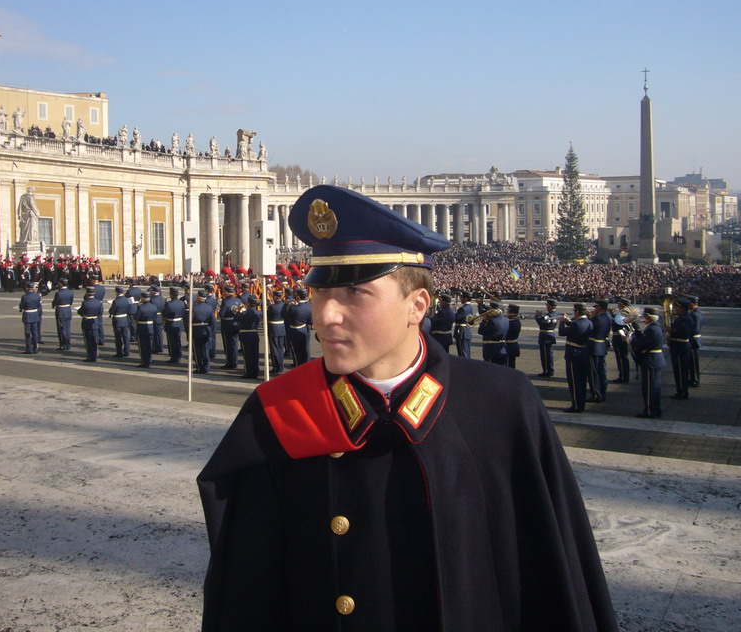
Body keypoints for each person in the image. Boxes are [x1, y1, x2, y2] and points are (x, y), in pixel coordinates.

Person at [198, 185, 617, 631]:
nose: (326, 315)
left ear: (417, 305)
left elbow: (552, 573)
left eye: (355, 293)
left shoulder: (501, 405)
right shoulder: (276, 413)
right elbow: (246, 596)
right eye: (319, 293)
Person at [630, 307, 666, 418]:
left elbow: (643, 343)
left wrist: (631, 339)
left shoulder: (652, 329)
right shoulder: (656, 326)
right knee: (654, 386)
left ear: (649, 317)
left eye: (645, 316)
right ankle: (655, 409)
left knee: (650, 388)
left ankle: (650, 411)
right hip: (655, 359)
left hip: (651, 360)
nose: (643, 318)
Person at [559, 302, 593, 413]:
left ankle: (576, 405)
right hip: (583, 352)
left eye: (574, 311)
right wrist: (569, 321)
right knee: (582, 381)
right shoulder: (589, 322)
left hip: (573, 354)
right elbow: (575, 328)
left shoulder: (576, 324)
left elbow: (562, 332)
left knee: (574, 382)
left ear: (577, 312)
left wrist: (562, 322)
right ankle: (581, 404)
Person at [668, 297, 695, 400]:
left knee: (680, 370)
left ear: (682, 308)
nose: (675, 308)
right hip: (678, 346)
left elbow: (684, 333)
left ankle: (682, 391)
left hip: (680, 347)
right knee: (678, 370)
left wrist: (672, 330)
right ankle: (681, 390)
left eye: (677, 306)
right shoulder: (682, 317)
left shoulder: (685, 318)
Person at [588, 300, 612, 402]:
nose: (595, 309)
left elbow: (588, 329)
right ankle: (602, 391)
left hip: (594, 347)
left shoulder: (597, 318)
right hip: (602, 346)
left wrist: (589, 318)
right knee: (601, 371)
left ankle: (596, 395)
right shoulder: (608, 317)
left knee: (594, 372)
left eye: (596, 307)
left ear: (601, 307)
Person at [233, 294, 262, 379]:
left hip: (245, 335)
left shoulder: (244, 313)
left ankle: (248, 372)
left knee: (247, 355)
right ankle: (255, 371)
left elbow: (236, 318)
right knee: (255, 355)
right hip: (254, 334)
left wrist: (240, 310)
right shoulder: (259, 313)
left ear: (248, 304)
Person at [283, 287, 313, 367]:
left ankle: (298, 367)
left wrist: (288, 306)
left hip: (295, 331)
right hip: (305, 329)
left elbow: (286, 318)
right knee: (305, 350)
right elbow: (310, 321)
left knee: (297, 352)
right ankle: (307, 365)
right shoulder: (309, 306)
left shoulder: (292, 308)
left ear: (298, 296)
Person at [534, 299, 561, 377]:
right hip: (549, 334)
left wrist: (537, 316)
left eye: (548, 306)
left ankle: (547, 371)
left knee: (545, 355)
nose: (547, 307)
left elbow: (541, 323)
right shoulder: (555, 314)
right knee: (549, 354)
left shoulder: (549, 315)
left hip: (545, 335)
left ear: (551, 306)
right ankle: (549, 370)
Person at [191, 289, 214, 374]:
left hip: (196, 329)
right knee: (205, 350)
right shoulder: (209, 307)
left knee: (197, 350)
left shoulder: (194, 307)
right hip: (206, 329)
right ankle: (206, 367)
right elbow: (212, 320)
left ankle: (199, 367)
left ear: (199, 297)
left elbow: (190, 320)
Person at [77, 287, 103, 362]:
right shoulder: (98, 302)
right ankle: (95, 355)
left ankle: (90, 356)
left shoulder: (85, 303)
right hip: (94, 321)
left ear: (87, 294)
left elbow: (80, 312)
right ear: (94, 293)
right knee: (94, 339)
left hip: (86, 321)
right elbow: (100, 313)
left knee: (88, 340)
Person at [218, 285, 241, 369]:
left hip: (227, 324)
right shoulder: (238, 300)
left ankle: (230, 361)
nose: (223, 293)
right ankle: (235, 361)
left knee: (228, 345)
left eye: (224, 292)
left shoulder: (225, 302)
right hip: (235, 324)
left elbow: (221, 314)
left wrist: (218, 308)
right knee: (234, 344)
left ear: (227, 293)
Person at [18, 282, 43, 354]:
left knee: (28, 333)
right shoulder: (37, 296)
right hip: (35, 315)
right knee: (35, 332)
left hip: (27, 315)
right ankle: (35, 348)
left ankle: (28, 348)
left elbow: (21, 306)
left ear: (28, 288)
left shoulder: (25, 297)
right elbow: (38, 305)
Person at [132, 295, 156, 368]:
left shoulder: (141, 307)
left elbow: (136, 317)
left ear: (143, 298)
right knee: (149, 345)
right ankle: (149, 360)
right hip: (150, 326)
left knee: (142, 346)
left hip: (142, 327)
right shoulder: (154, 306)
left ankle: (144, 361)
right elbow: (155, 317)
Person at [163, 286, 186, 363]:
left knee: (171, 342)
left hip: (170, 323)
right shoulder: (182, 303)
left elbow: (165, 314)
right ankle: (178, 355)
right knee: (178, 340)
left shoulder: (168, 304)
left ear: (171, 295)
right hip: (178, 323)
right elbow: (183, 313)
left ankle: (173, 356)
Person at [267, 288, 287, 374]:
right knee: (280, 348)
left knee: (274, 348)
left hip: (273, 328)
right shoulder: (284, 306)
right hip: (281, 328)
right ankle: (281, 365)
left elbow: (267, 316)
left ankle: (277, 366)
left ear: (275, 297)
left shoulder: (272, 307)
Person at [51, 277, 74, 350]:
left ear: (61, 284)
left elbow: (55, 302)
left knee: (62, 329)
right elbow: (71, 302)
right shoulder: (70, 292)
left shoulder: (59, 293)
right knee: (67, 328)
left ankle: (64, 344)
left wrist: (53, 305)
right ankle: (68, 343)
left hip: (61, 310)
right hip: (68, 310)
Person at [109, 285, 132, 357]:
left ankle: (119, 352)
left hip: (117, 320)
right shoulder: (127, 299)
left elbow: (112, 311)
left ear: (117, 292)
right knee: (126, 336)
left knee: (118, 337)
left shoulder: (116, 301)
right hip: (125, 319)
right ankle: (127, 351)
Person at [687, 294, 703, 387]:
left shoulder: (694, 314)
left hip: (693, 340)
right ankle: (693, 378)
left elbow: (695, 329)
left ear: (693, 304)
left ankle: (695, 379)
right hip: (694, 340)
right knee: (692, 361)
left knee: (693, 362)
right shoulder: (697, 312)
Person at [452, 291, 474, 358]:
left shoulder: (463, 309)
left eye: (462, 297)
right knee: (466, 352)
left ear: (466, 298)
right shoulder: (469, 307)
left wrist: (455, 310)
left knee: (462, 353)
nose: (460, 299)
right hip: (466, 331)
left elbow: (455, 318)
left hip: (461, 332)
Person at [504, 303, 522, 369]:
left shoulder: (514, 323)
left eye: (509, 312)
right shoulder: (512, 321)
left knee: (509, 366)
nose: (507, 313)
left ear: (512, 313)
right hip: (510, 346)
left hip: (510, 347)